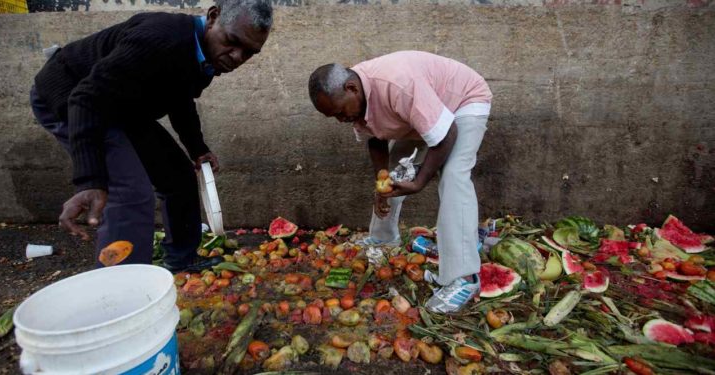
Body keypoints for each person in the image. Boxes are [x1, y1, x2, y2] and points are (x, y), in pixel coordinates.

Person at [30, 0, 273, 272]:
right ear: (213, 16)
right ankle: (124, 290)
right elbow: (85, 98)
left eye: (249, 53)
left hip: (123, 107)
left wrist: (196, 148)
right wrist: (89, 179)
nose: (237, 57)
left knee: (178, 176)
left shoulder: (204, 54)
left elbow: (180, 99)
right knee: (131, 192)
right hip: (73, 96)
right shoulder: (160, 39)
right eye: (232, 41)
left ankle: (182, 261)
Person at [307, 51, 492, 313]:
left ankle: (464, 278)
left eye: (339, 112)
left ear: (351, 88)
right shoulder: (355, 95)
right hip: (422, 113)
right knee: (394, 172)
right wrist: (381, 183)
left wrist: (419, 182)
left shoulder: (398, 84)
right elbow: (376, 138)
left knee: (452, 174)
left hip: (462, 101)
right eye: (333, 117)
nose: (340, 120)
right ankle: (383, 238)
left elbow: (447, 133)